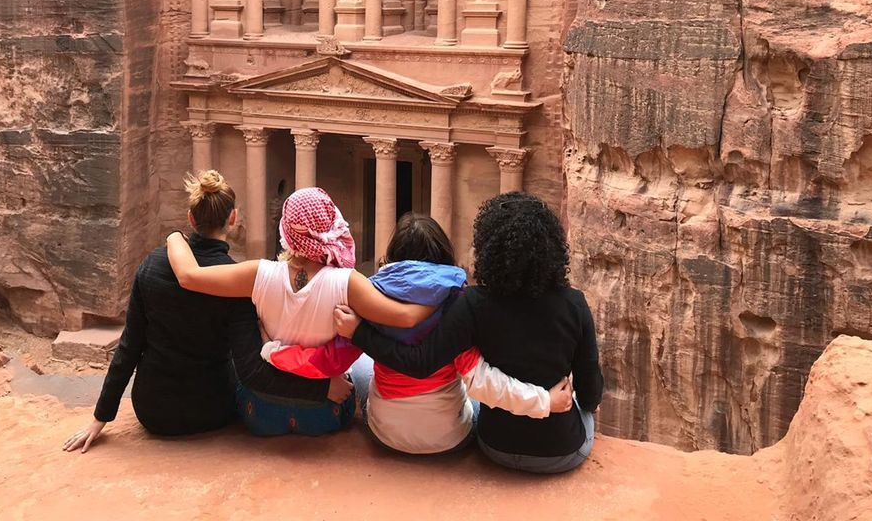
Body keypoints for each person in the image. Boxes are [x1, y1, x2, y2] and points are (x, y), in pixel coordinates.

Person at [63, 171, 350, 453]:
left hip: (152, 411)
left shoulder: (151, 265)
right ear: (233, 218)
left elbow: (129, 347)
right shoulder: (234, 281)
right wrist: (320, 389)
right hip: (212, 408)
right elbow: (251, 372)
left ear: (191, 218)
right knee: (252, 351)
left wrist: (99, 418)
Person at [259, 213, 574, 454]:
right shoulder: (457, 304)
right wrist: (543, 400)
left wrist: (273, 350)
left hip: (386, 434)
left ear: (393, 254)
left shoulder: (371, 296)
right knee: (471, 397)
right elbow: (481, 380)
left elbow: (329, 360)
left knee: (361, 366)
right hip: (450, 437)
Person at [336, 192, 604, 473]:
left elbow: (423, 361)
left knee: (368, 369)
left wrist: (360, 333)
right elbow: (590, 392)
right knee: (575, 400)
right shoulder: (575, 304)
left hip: (495, 445)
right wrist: (559, 401)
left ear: (489, 247)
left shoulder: (474, 303)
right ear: (553, 249)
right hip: (561, 451)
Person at [164, 187, 433, 436]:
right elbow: (406, 317)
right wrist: (450, 286)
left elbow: (189, 276)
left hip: (259, 412)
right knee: (363, 365)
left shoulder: (258, 273)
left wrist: (174, 236)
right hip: (326, 412)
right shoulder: (347, 283)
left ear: (285, 231)